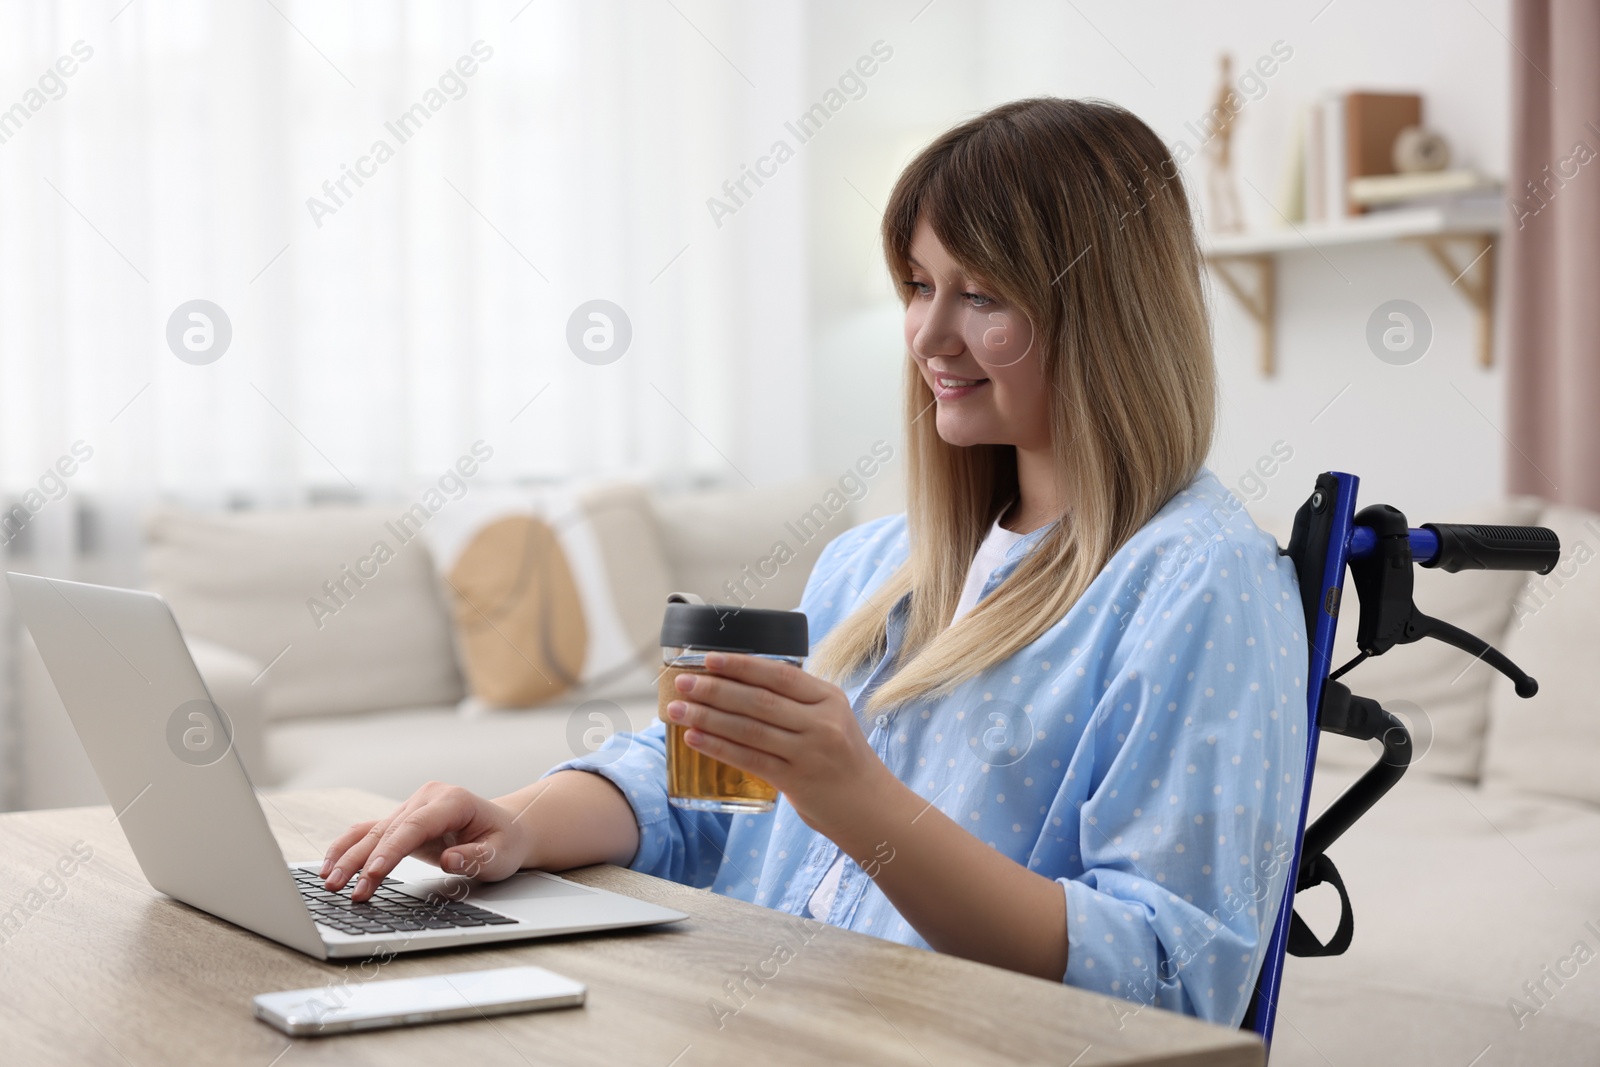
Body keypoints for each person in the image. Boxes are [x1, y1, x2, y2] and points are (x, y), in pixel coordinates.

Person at [321, 97, 1309, 1028]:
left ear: (1103, 310)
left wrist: (856, 795)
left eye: (982, 295)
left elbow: (1171, 980)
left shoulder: (1201, 581)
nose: (925, 333)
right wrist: (522, 821)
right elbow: (712, 798)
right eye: (920, 285)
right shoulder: (875, 563)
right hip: (759, 1016)